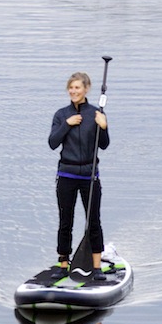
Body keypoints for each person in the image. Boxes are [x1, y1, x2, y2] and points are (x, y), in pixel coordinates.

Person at [48, 71, 109, 281]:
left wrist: (104, 126)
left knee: (93, 221)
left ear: (86, 89)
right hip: (66, 175)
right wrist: (68, 124)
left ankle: (97, 267)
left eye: (78, 88)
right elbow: (52, 143)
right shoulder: (61, 114)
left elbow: (104, 145)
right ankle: (63, 264)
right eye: (71, 88)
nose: (74, 91)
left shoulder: (96, 114)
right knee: (66, 221)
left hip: (89, 177)